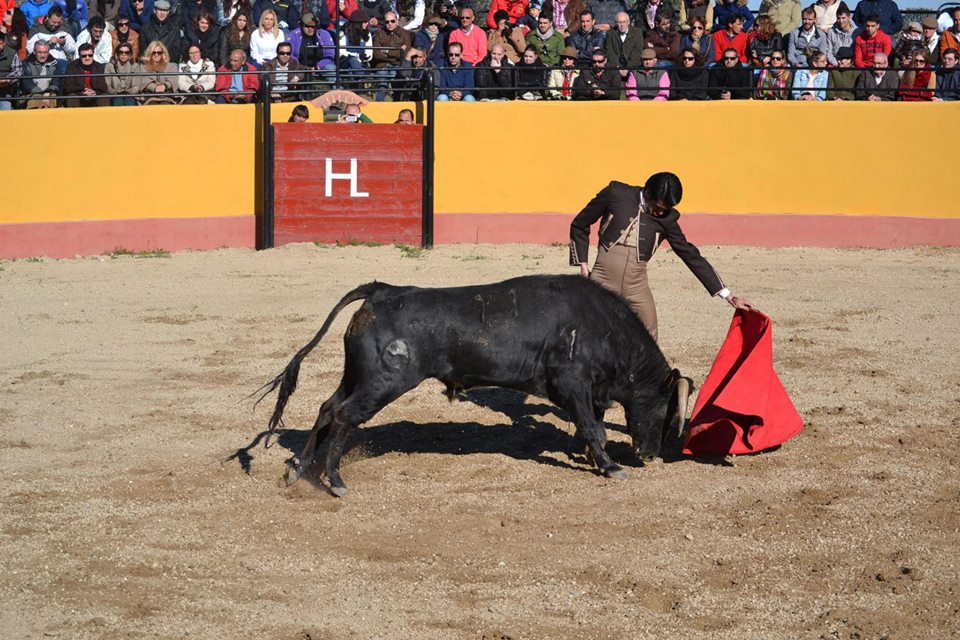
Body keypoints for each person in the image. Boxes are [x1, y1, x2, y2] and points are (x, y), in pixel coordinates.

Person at [569, 172, 753, 342]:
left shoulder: (668, 218)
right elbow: (580, 224)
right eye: (657, 208)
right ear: (647, 193)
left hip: (636, 286)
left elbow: (689, 254)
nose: (660, 213)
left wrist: (729, 296)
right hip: (603, 279)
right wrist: (583, 266)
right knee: (590, 334)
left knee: (649, 338)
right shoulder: (616, 193)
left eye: (665, 209)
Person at [372, 10, 410, 101]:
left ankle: (397, 106)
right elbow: (376, 54)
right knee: (381, 85)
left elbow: (405, 53)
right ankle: (379, 106)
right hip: (382, 65)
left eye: (392, 21)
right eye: (387, 22)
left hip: (397, 65)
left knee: (397, 86)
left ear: (397, 21)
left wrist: (387, 51)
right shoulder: (379, 33)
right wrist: (397, 52)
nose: (390, 24)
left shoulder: (404, 33)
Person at [21, 40, 63, 108]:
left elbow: (56, 81)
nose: (42, 55)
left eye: (45, 52)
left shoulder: (55, 63)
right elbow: (27, 82)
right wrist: (41, 94)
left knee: (52, 98)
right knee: (36, 98)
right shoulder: (26, 63)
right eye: (39, 52)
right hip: (31, 93)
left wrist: (48, 92)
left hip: (50, 93)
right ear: (34, 52)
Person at [63, 42, 108, 106]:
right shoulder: (72, 66)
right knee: (72, 97)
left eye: (90, 55)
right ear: (79, 56)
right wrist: (82, 91)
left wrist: (94, 92)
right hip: (78, 95)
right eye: (84, 56)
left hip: (95, 95)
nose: (87, 58)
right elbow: (68, 87)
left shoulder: (98, 66)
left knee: (104, 97)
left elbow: (103, 86)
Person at [604, 11, 643, 82]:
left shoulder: (637, 33)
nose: (622, 25)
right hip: (616, 64)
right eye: (619, 22)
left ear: (628, 22)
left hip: (632, 65)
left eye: (624, 22)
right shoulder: (610, 33)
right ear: (616, 23)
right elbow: (610, 52)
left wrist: (628, 68)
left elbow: (637, 52)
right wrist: (618, 67)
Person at [824, 2, 854, 67]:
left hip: (851, 65)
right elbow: (829, 52)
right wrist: (837, 63)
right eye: (838, 18)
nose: (841, 21)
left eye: (843, 18)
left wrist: (848, 63)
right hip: (835, 64)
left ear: (849, 17)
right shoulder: (831, 32)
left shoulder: (856, 33)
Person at [0, 31, 20, 110]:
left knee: (5, 110)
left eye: (0, 44)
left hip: (5, 88)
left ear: (4, 43)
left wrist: (7, 79)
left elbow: (18, 71)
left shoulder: (12, 53)